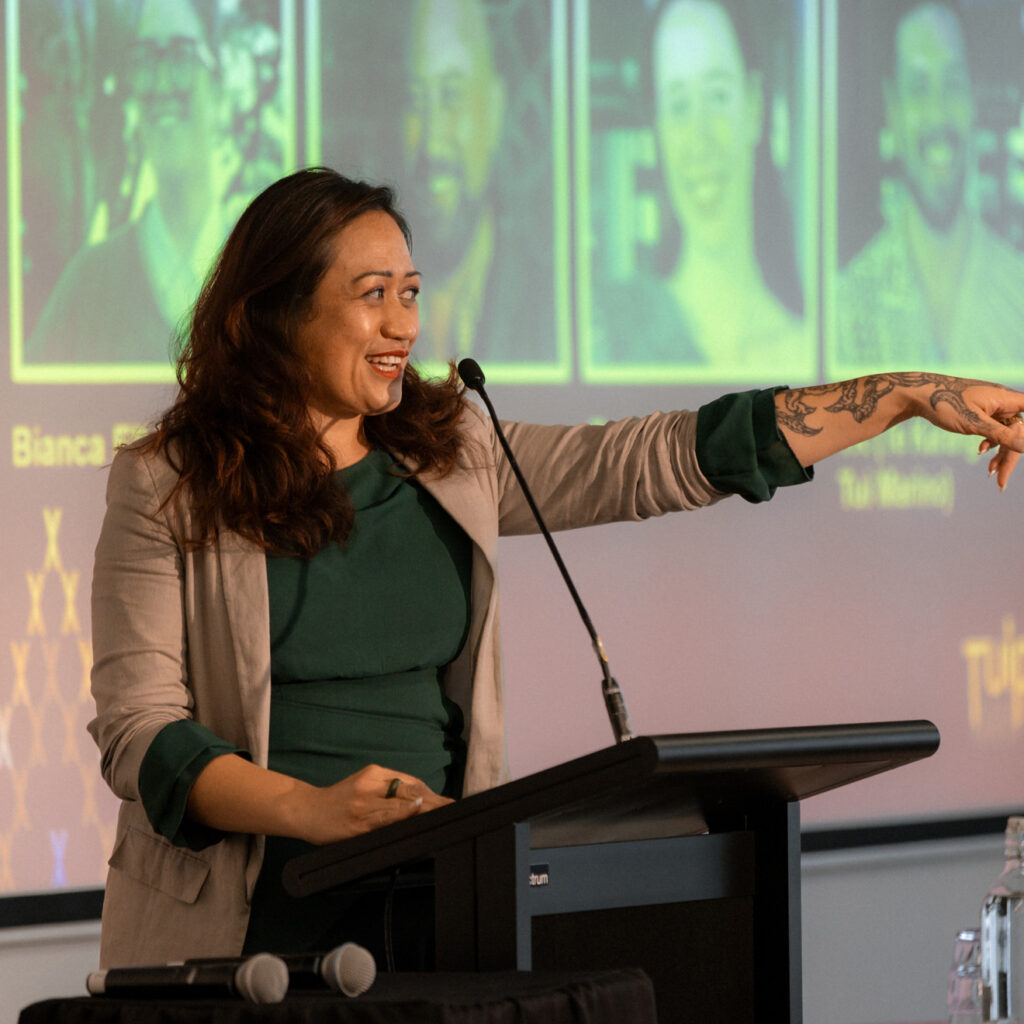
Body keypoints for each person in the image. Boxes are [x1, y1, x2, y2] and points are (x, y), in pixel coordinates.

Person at [88, 167, 1024, 970]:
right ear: (274, 314)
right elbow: (140, 733)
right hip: (248, 921)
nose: (401, 324)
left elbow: (656, 456)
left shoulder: (452, 451)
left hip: (439, 902)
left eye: (411, 293)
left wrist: (907, 394)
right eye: (371, 294)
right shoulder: (168, 484)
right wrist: (311, 808)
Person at [25, 0, 282, 366]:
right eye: (145, 59)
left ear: (221, 85)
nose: (161, 83)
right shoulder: (87, 283)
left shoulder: (264, 276)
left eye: (181, 54)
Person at [592, 0, 809, 375]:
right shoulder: (610, 339)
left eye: (717, 96)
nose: (699, 138)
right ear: (658, 129)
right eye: (678, 106)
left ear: (755, 106)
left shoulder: (807, 348)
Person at [836, 1, 1024, 370]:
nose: (938, 112)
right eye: (919, 88)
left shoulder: (1019, 294)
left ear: (972, 99)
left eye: (952, 85)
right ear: (893, 109)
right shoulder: (846, 308)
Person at [397, 0, 556, 365]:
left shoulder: (544, 299)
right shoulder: (362, 301)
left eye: (452, 96)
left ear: (496, 110)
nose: (432, 138)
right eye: (415, 100)